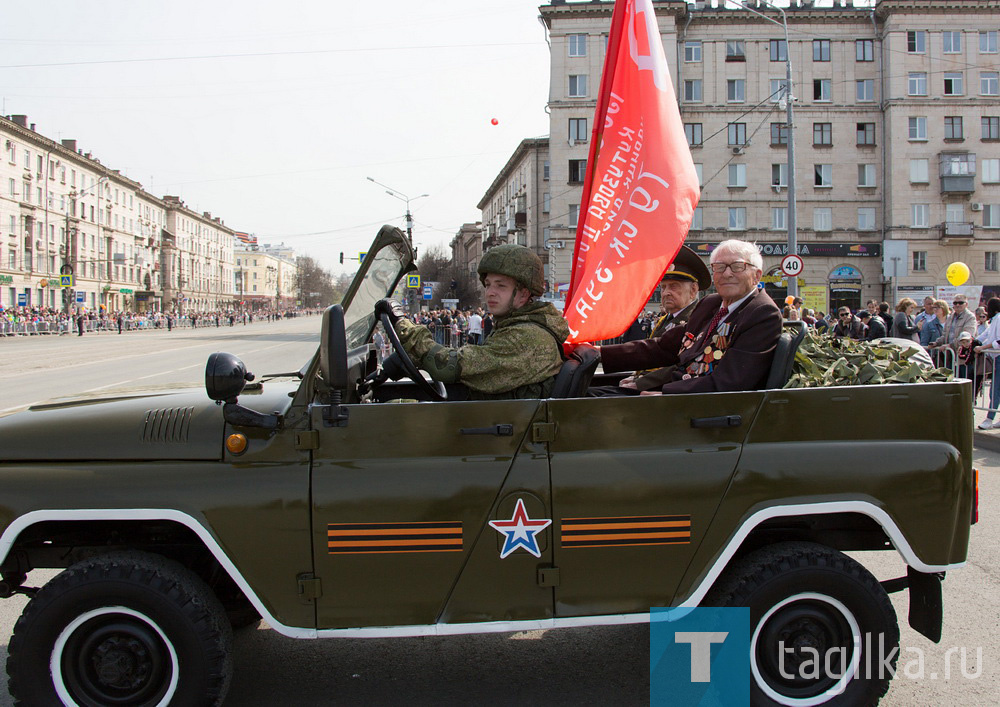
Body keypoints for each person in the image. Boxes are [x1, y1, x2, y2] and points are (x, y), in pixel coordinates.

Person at [376, 244, 569, 399]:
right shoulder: (513, 327)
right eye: (488, 285)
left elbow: (453, 366)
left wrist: (403, 326)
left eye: (501, 286)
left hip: (507, 436)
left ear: (523, 294)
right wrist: (415, 358)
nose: (490, 292)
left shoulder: (528, 337)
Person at [596, 239, 782, 394]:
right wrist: (599, 354)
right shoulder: (711, 304)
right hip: (680, 392)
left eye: (737, 266)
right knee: (584, 392)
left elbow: (731, 382)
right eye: (719, 267)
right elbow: (665, 348)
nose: (727, 274)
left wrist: (666, 394)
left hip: (698, 407)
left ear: (757, 276)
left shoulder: (762, 313)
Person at [598, 245, 712, 395]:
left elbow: (681, 364)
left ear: (693, 290)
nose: (666, 293)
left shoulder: (696, 320)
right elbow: (650, 355)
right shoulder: (665, 320)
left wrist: (641, 382)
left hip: (667, 392)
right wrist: (635, 376)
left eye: (673, 286)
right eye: (663, 287)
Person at [974, 298, 1000, 429]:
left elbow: (999, 341)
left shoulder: (999, 319)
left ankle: (989, 419)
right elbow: (985, 335)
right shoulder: (995, 320)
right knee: (996, 389)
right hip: (996, 358)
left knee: (995, 390)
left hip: (999, 357)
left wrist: (982, 348)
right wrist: (974, 342)